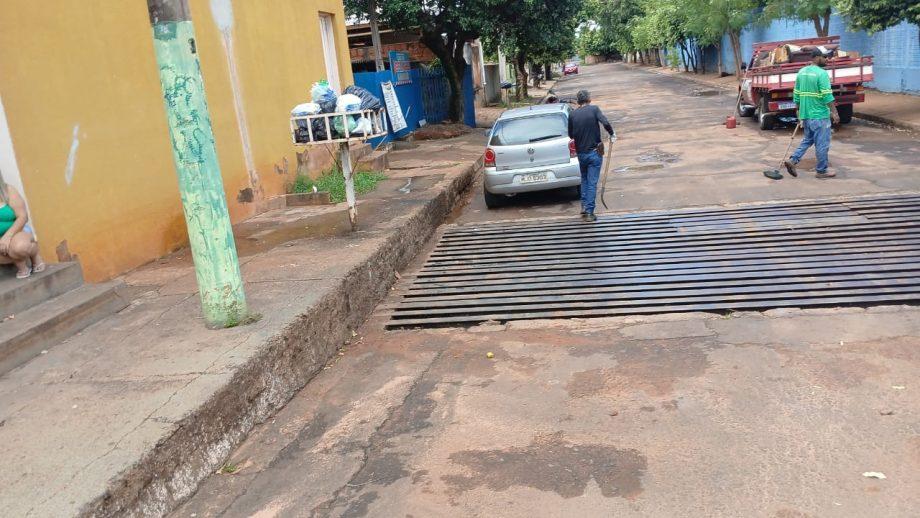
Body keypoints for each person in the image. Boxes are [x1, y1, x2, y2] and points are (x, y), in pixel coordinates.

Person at [784, 48, 840, 179]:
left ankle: (793, 160)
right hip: (819, 115)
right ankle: (821, 171)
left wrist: (798, 112)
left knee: (808, 140)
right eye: (825, 57)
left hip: (806, 115)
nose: (827, 59)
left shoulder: (801, 72)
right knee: (822, 144)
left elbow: (796, 94)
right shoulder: (821, 74)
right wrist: (835, 113)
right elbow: (827, 95)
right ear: (816, 57)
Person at [568, 89, 615, 222]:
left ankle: (584, 206)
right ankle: (589, 211)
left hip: (581, 153)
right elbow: (605, 123)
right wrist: (612, 134)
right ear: (589, 99)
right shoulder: (594, 110)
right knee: (592, 182)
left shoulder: (572, 115)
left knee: (584, 179)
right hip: (594, 153)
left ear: (578, 101)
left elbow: (570, 135)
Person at [0, 173, 44, 279]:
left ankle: (34, 254)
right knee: (8, 249)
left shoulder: (7, 190)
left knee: (19, 247)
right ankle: (22, 266)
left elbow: (23, 216)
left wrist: (7, 236)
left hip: (17, 232)